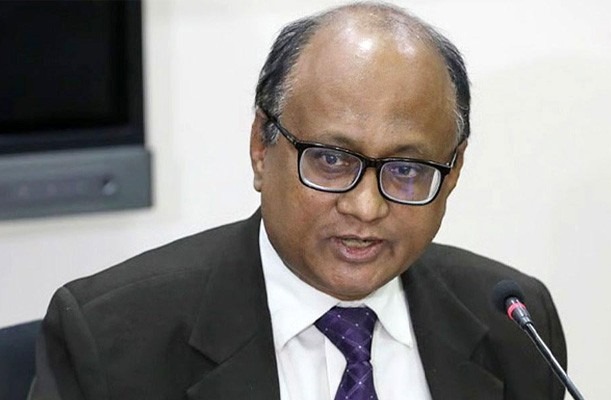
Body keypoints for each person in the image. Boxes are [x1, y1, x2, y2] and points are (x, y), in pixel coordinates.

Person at [31, 3, 567, 399]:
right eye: (331, 160)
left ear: (453, 172)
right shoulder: (112, 340)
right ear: (260, 147)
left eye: (406, 170)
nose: (365, 208)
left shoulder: (515, 324)